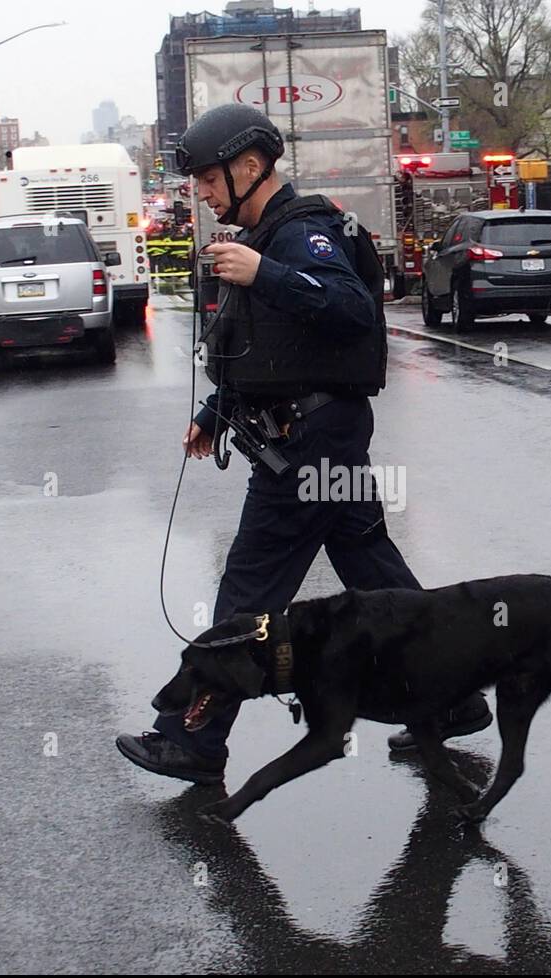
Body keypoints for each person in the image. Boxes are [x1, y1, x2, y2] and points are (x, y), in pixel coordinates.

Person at [115, 103, 490, 785]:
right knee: (377, 577)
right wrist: (215, 411)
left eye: (207, 177)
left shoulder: (302, 235)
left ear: (249, 167)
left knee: (248, 590)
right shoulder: (265, 236)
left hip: (311, 443)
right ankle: (455, 698)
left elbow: (347, 311)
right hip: (315, 435)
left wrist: (264, 273)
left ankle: (191, 740)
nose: (200, 191)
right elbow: (269, 351)